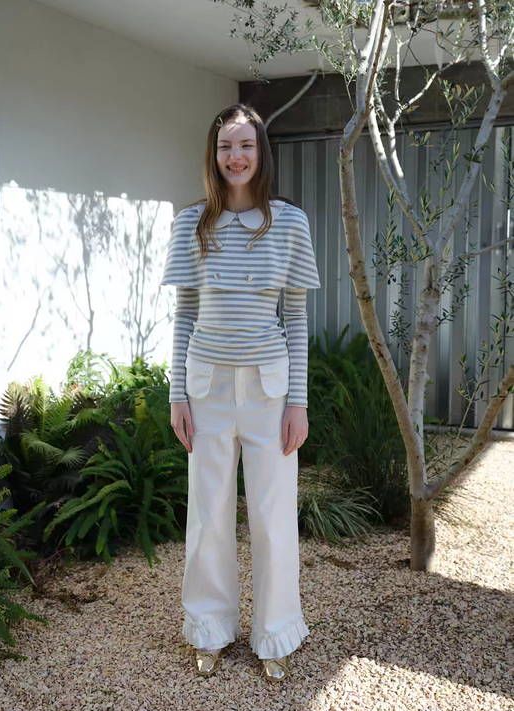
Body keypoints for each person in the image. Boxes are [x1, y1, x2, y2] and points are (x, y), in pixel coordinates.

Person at [159, 103, 321, 682]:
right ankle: (208, 628)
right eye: (226, 145)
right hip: (205, 386)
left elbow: (296, 317)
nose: (236, 156)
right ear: (214, 153)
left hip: (269, 390)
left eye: (246, 145)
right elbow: (184, 314)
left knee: (274, 517)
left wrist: (298, 402)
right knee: (209, 515)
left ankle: (275, 634)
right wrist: (177, 395)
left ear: (261, 153)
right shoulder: (190, 224)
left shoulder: (290, 223)